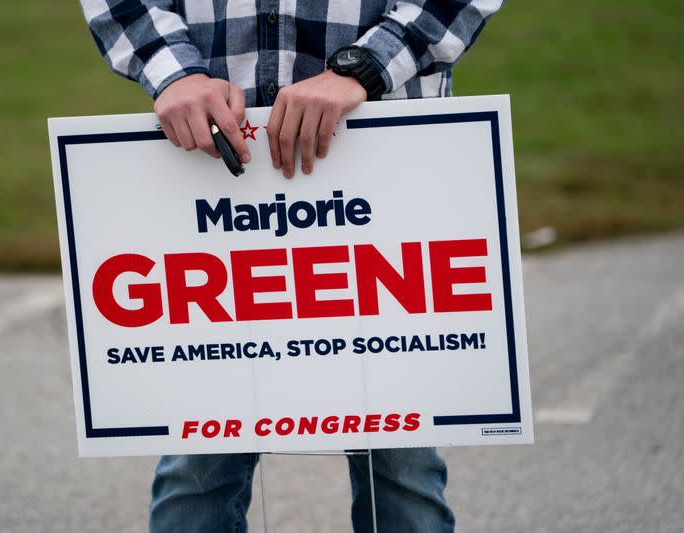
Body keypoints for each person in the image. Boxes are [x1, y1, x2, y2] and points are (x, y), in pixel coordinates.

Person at [79, 1, 503, 531]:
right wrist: (174, 71)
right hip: (214, 165)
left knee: (401, 462)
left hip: (382, 147)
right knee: (199, 465)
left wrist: (369, 64)